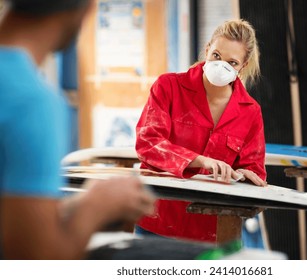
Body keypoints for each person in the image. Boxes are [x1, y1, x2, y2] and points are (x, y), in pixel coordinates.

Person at [0, 0, 155, 259]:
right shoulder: (30, 101)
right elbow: (38, 261)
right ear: (82, 10)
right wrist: (97, 205)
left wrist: (78, 205)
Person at [135, 19, 267, 242]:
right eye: (216, 55)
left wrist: (244, 176)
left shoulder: (250, 111)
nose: (221, 65)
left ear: (242, 67)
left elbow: (255, 169)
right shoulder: (168, 87)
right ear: (207, 50)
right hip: (157, 221)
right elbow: (148, 143)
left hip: (213, 231)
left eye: (232, 62)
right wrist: (199, 161)